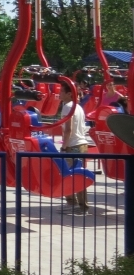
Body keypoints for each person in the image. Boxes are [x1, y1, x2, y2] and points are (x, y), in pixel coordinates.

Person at [60, 82, 92, 214]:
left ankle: (77, 204)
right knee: (78, 175)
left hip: (73, 145)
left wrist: (63, 147)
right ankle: (78, 204)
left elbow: (68, 130)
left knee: (71, 175)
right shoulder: (78, 107)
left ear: (69, 94)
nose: (58, 93)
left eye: (61, 91)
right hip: (81, 143)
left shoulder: (68, 107)